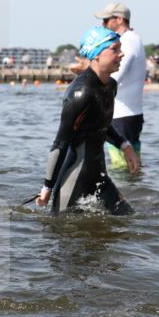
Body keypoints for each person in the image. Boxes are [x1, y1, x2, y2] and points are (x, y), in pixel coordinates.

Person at [37, 26, 139, 216]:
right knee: (60, 229)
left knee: (128, 219)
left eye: (120, 48)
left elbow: (101, 125)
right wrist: (47, 188)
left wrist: (125, 146)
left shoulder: (110, 86)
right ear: (97, 54)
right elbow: (60, 143)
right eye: (115, 49)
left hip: (99, 175)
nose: (122, 53)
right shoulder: (80, 93)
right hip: (74, 179)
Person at [94, 2, 145, 172]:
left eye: (106, 20)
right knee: (131, 166)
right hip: (129, 114)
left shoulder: (127, 41)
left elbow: (116, 75)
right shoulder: (132, 39)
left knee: (121, 169)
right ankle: (135, 188)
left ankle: (127, 189)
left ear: (120, 19)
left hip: (123, 114)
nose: (103, 24)